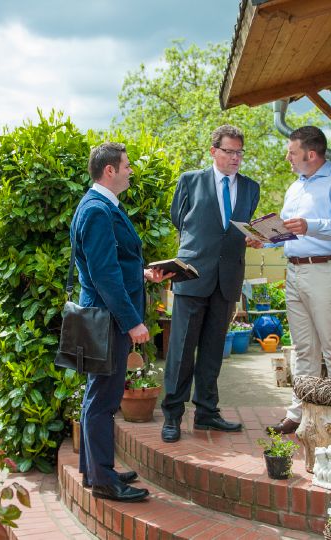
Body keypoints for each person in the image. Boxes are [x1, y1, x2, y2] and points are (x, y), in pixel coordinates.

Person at [72, 142, 171, 501]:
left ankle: (94, 468)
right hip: (109, 319)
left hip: (104, 316)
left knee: (98, 396)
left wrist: (142, 273)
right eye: (126, 166)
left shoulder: (98, 206)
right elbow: (103, 275)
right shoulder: (97, 210)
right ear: (110, 170)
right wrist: (132, 322)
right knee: (102, 399)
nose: (131, 171)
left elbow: (114, 264)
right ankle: (102, 480)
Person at [249, 126, 331, 435]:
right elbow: (289, 231)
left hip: (327, 271)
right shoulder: (295, 187)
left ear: (311, 154)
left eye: (292, 152)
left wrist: (312, 225)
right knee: (302, 349)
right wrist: (266, 241)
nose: (288, 157)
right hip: (295, 271)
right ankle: (299, 415)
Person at [160, 125, 260, 443]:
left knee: (214, 350)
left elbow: (242, 228)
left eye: (239, 152)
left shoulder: (251, 187)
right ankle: (173, 416)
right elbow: (180, 218)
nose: (235, 158)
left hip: (227, 279)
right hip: (191, 275)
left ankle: (206, 413)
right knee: (181, 351)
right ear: (213, 151)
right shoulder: (190, 180)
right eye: (229, 151)